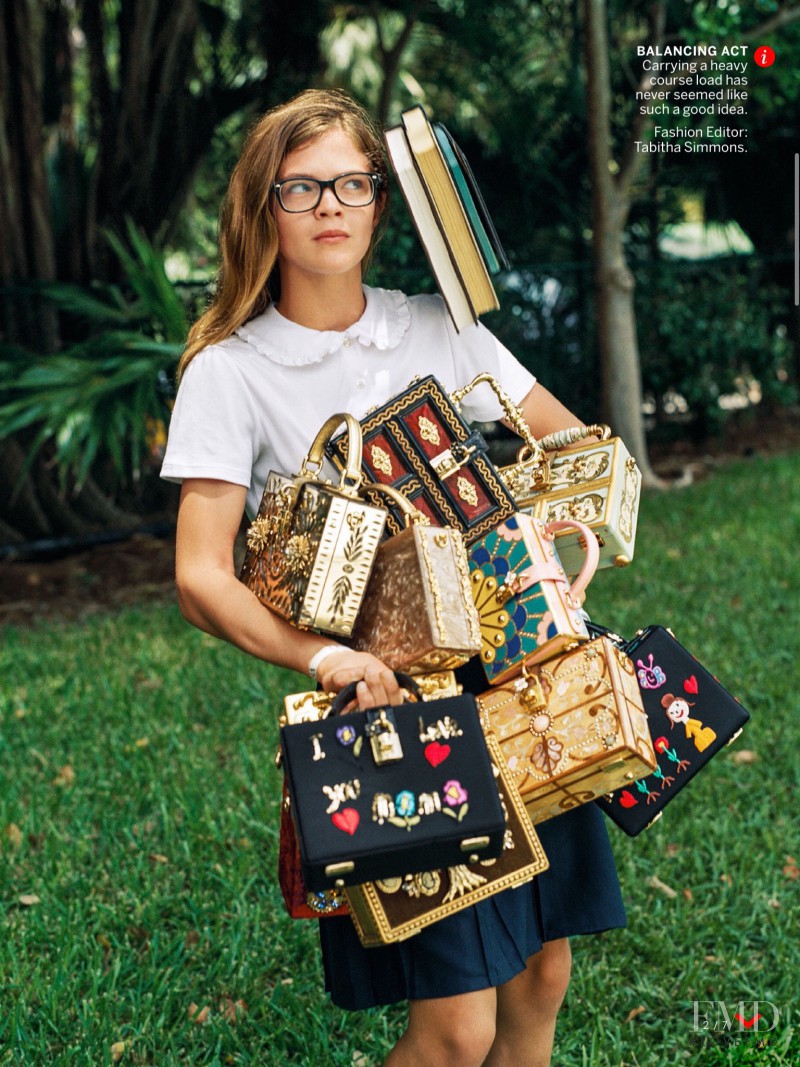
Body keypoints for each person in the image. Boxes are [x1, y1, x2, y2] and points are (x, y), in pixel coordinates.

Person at [161, 88, 626, 1067]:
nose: (328, 204)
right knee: (456, 1029)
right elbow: (201, 574)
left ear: (382, 201)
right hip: (390, 712)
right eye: (300, 186)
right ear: (262, 207)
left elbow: (568, 440)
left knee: (540, 977)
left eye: (350, 182)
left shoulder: (436, 328)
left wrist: (536, 554)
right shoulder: (228, 371)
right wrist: (323, 653)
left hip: (515, 677)